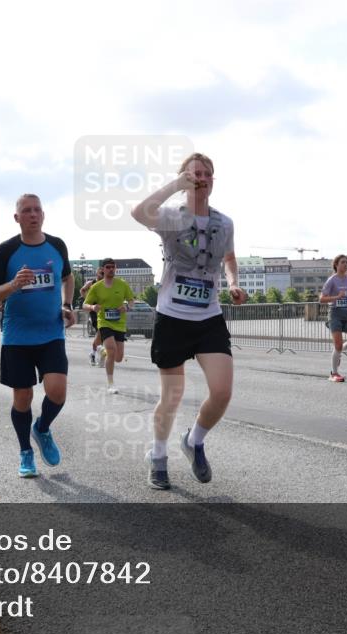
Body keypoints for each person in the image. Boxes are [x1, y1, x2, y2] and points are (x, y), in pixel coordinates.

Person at [131, 152, 247, 490]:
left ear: (213, 180)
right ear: (184, 178)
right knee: (172, 396)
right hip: (172, 316)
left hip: (208, 315)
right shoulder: (170, 216)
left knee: (222, 392)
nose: (202, 178)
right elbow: (138, 213)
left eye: (207, 173)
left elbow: (228, 256)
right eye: (195, 173)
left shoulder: (224, 223)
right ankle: (158, 455)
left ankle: (194, 441)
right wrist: (174, 186)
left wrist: (234, 282)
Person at [0, 193, 76, 478]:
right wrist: (12, 285)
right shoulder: (7, 250)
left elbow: (68, 277)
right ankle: (25, 451)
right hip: (17, 337)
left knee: (57, 391)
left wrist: (67, 305)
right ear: (17, 218)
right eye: (27, 210)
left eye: (37, 210)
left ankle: (42, 428)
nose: (33, 214)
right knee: (22, 397)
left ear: (43, 215)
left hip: (51, 333)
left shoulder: (57, 245)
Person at [84, 258, 135, 394]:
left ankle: (103, 352)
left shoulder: (122, 284)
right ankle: (111, 384)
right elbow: (85, 304)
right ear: (103, 269)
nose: (111, 269)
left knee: (118, 357)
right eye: (108, 267)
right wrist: (93, 306)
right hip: (104, 322)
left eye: (113, 267)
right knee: (112, 349)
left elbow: (131, 301)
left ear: (115, 268)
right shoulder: (96, 286)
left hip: (119, 323)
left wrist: (126, 307)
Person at [319, 255, 347, 382]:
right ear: (336, 265)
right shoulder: (331, 280)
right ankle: (334, 373)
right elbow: (321, 299)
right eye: (343, 262)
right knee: (337, 344)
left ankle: (338, 352)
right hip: (335, 314)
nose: (346, 264)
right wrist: (336, 297)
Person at [81, 268, 104, 365]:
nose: (102, 274)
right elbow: (82, 290)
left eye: (103, 273)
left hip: (103, 310)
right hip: (94, 310)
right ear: (97, 273)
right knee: (101, 331)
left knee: (102, 334)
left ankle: (94, 354)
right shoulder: (91, 283)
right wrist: (87, 300)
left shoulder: (105, 284)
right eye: (101, 272)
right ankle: (95, 354)